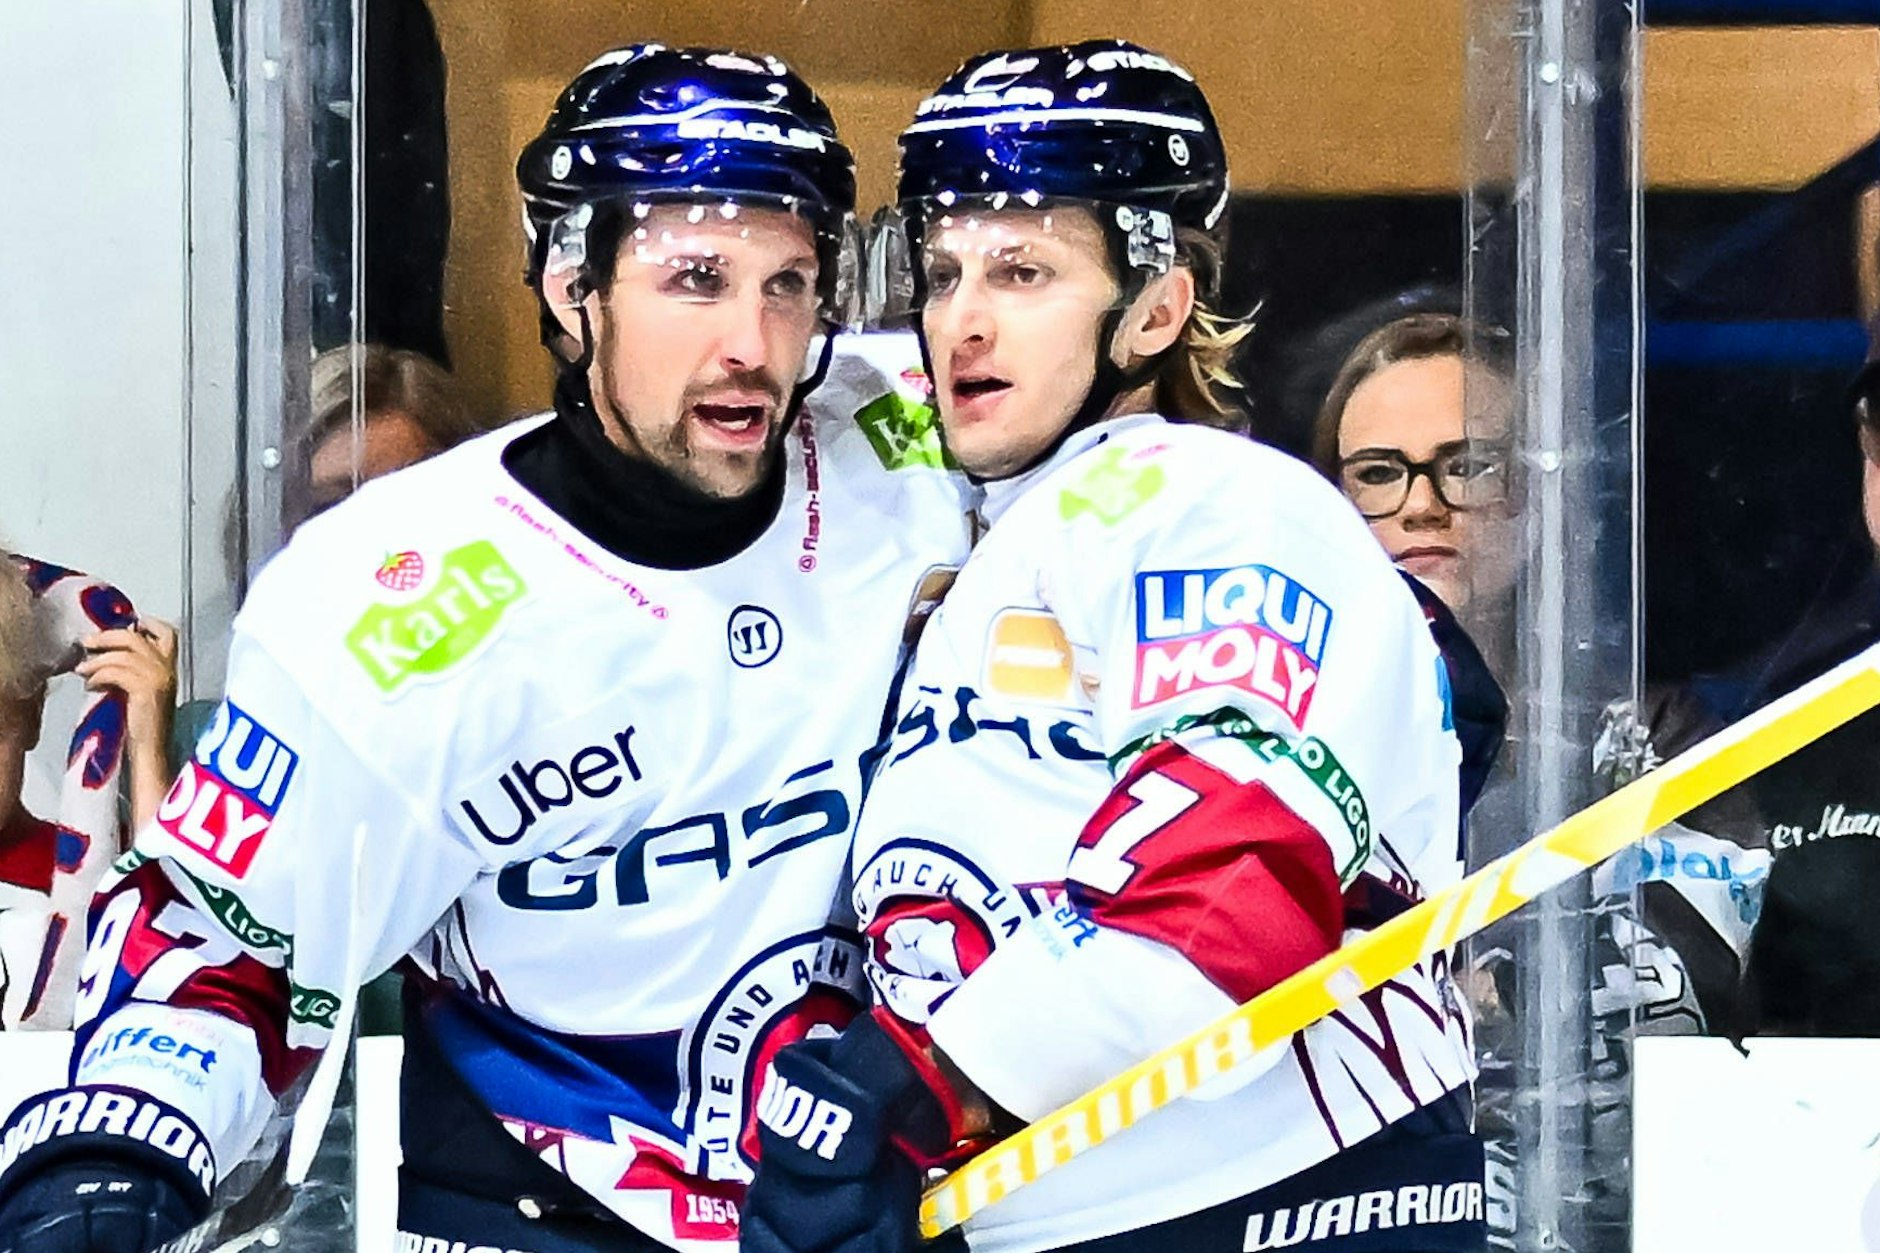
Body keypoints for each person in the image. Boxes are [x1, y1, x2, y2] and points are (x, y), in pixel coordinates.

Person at [0, 43, 967, 1253]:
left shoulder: (907, 443)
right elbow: (228, 942)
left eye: (787, 283)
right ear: (575, 287)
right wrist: (107, 1159)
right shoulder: (380, 600)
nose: (752, 343)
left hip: (897, 1191)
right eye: (697, 280)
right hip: (545, 1203)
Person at [744, 42, 1492, 1253]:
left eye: (1024, 270)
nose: (964, 321)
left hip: (1268, 1198)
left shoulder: (1194, 495)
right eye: (941, 274)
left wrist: (928, 1075)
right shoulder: (1009, 532)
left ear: (1157, 305)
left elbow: (1229, 875)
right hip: (1069, 1206)